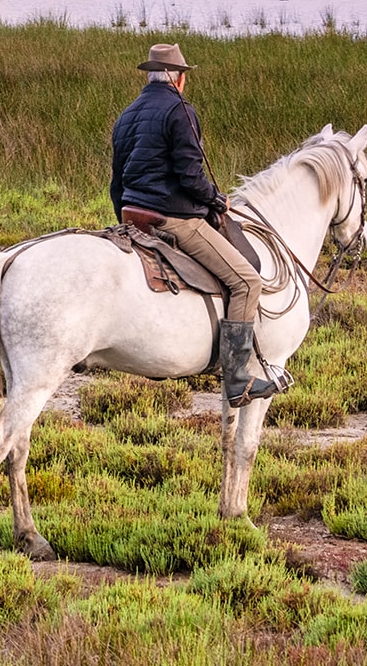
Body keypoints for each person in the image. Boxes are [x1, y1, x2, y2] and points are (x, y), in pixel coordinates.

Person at [110, 42, 278, 407]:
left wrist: (124, 218)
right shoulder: (180, 110)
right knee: (247, 281)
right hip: (173, 218)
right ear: (180, 78)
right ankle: (236, 380)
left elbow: (116, 182)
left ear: (151, 75)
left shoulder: (127, 114)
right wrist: (218, 200)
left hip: (132, 216)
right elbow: (190, 175)